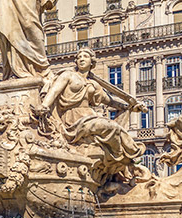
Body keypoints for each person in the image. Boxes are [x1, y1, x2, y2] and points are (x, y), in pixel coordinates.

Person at [37, 48, 146, 180]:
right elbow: (54, 92)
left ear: (92, 62)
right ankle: (129, 153)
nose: (81, 59)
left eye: (85, 57)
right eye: (79, 57)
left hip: (89, 115)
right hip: (73, 118)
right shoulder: (68, 75)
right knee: (112, 127)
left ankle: (121, 158)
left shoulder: (93, 84)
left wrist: (131, 107)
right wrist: (44, 106)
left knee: (113, 127)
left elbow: (110, 101)